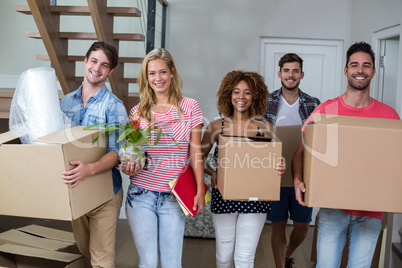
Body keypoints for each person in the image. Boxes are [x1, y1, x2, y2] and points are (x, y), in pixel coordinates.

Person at [292, 41, 400, 268]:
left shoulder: (389, 116)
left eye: (366, 65)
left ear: (373, 71)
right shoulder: (326, 111)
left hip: (371, 211)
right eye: (354, 65)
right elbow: (300, 153)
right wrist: (297, 180)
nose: (360, 70)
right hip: (333, 209)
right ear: (346, 70)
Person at [121, 48, 205, 268]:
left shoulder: (190, 107)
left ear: (172, 73)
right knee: (147, 263)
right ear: (146, 77)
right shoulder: (137, 112)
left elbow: (195, 151)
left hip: (173, 197)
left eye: (163, 72)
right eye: (151, 73)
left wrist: (199, 189)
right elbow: (134, 153)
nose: (157, 78)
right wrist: (129, 165)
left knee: (172, 264)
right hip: (141, 195)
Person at [201, 70, 286, 268]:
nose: (241, 97)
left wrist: (280, 165)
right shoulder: (216, 127)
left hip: (255, 199)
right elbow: (197, 157)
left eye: (247, 92)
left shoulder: (265, 128)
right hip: (224, 196)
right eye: (236, 91)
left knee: (244, 258)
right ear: (228, 95)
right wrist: (213, 174)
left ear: (254, 96)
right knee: (224, 257)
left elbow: (275, 160)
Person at [60, 41, 128, 267]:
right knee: (85, 251)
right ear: (85, 61)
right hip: (76, 190)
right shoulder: (65, 102)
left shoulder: (114, 106)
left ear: (111, 71)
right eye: (94, 61)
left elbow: (117, 153)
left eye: (104, 65)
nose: (97, 68)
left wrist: (88, 169)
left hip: (105, 193)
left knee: (101, 261)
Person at [264, 53, 320, 268]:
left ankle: (288, 254)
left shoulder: (313, 103)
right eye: (286, 70)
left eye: (295, 71)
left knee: (302, 226)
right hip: (274, 175)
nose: (291, 75)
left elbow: (319, 140)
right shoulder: (267, 101)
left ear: (302, 75)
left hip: (303, 175)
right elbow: (258, 136)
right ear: (279, 74)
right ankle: (280, 265)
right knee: (277, 224)